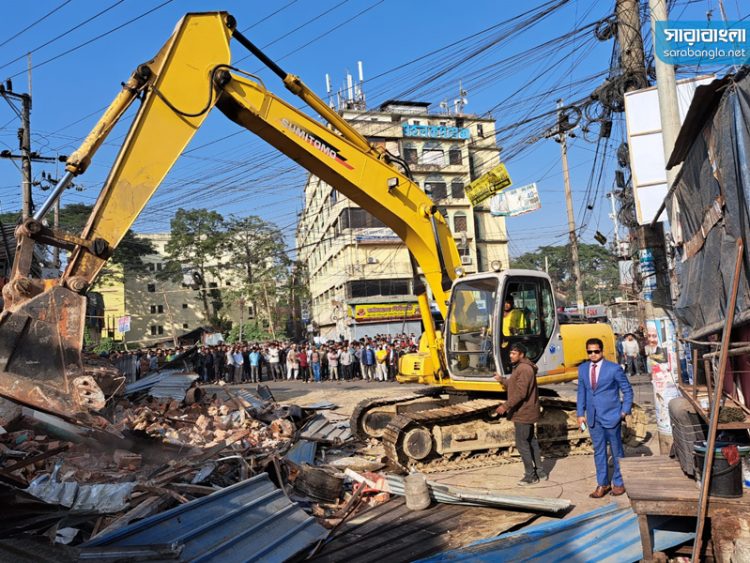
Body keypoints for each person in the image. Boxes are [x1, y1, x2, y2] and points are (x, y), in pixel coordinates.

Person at [577, 338, 633, 498]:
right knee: (599, 452)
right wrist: (580, 414)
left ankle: (619, 482)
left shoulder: (614, 369)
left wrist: (623, 412)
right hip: (593, 418)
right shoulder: (583, 369)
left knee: (616, 451)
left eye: (596, 351)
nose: (593, 354)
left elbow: (627, 391)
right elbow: (581, 392)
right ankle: (603, 484)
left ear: (601, 351)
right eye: (590, 352)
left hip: (612, 416)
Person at [494, 343, 546, 485]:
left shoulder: (523, 369)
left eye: (514, 353)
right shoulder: (521, 367)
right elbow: (514, 385)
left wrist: (505, 406)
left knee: (522, 443)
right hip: (525, 411)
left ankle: (531, 476)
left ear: (522, 354)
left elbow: (521, 393)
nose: (511, 355)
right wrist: (502, 380)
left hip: (523, 412)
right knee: (531, 441)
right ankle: (540, 472)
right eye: (510, 353)